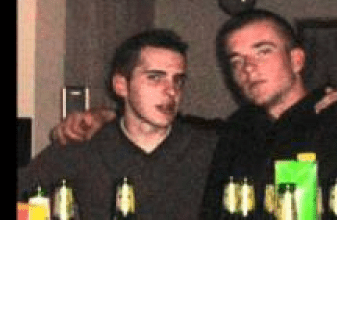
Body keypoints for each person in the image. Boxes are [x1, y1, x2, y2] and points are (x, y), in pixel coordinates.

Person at [199, 9, 337, 219]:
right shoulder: (237, 130)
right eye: (237, 60)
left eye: (263, 52)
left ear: (296, 60)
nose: (248, 68)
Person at [17, 29, 219, 219]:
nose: (171, 91)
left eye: (178, 80)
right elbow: (23, 195)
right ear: (121, 86)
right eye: (155, 78)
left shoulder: (207, 149)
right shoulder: (84, 144)